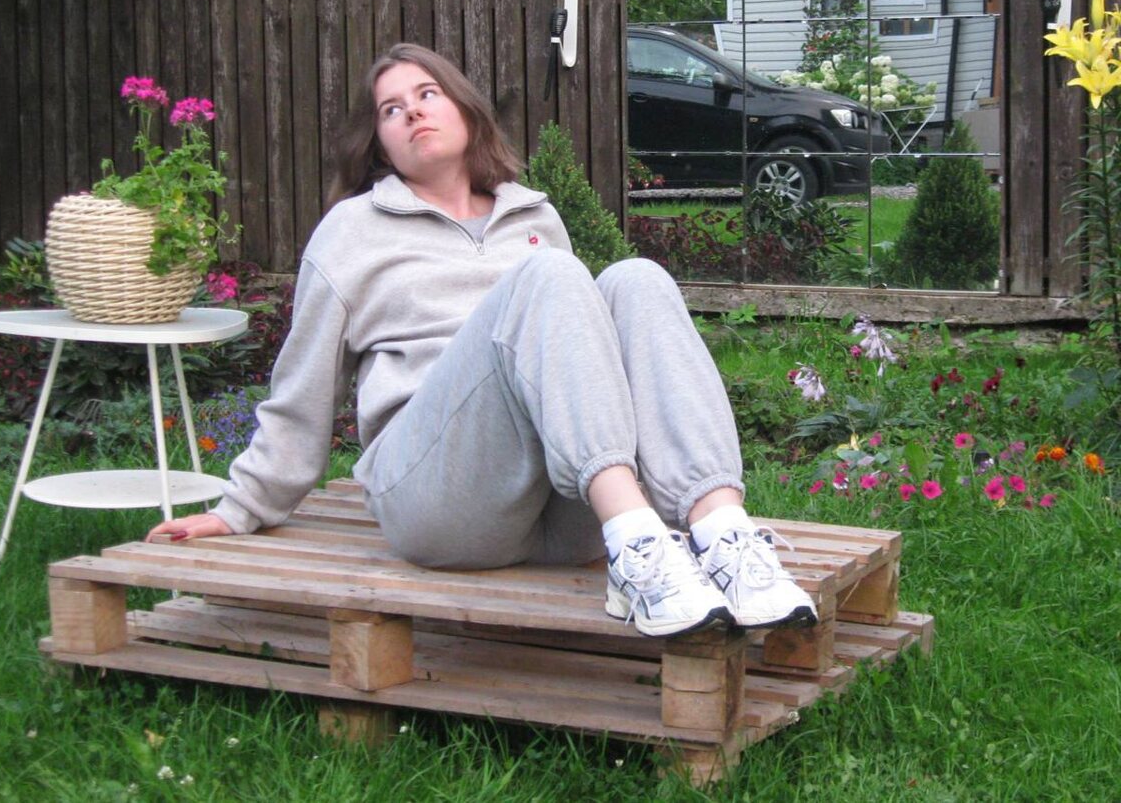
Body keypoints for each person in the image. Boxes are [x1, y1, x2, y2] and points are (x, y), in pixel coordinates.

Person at [148, 43, 816, 638]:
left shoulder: (535, 215)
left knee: (635, 279)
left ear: (467, 110)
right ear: (380, 144)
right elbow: (303, 388)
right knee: (550, 275)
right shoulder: (351, 231)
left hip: (562, 513)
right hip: (438, 499)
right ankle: (639, 542)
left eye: (427, 93)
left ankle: (722, 533)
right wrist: (243, 508)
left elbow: (578, 365)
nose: (412, 111)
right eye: (391, 109)